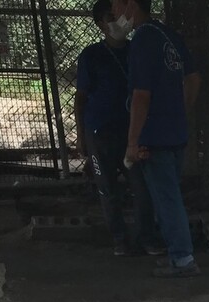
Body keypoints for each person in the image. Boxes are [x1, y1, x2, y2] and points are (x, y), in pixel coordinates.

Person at [110, 0, 202, 278]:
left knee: (166, 198)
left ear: (130, 5)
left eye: (116, 5)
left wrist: (132, 142)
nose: (114, 13)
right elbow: (194, 78)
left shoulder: (143, 39)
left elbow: (140, 96)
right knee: (168, 195)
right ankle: (176, 254)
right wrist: (178, 112)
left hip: (154, 135)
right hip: (174, 132)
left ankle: (183, 259)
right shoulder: (168, 36)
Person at [74, 0, 161, 257]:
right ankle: (119, 239)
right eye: (110, 17)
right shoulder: (91, 55)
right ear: (100, 23)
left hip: (132, 132)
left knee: (142, 187)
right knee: (108, 188)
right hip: (100, 132)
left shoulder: (137, 50)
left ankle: (147, 237)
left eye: (119, 14)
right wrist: (81, 135)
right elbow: (80, 98)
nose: (118, 21)